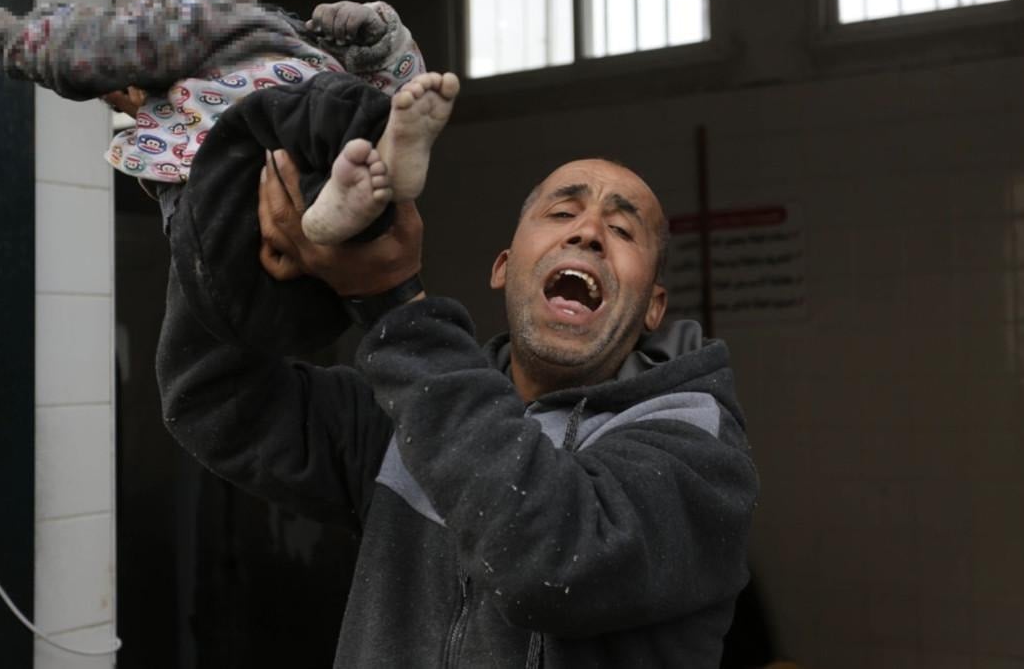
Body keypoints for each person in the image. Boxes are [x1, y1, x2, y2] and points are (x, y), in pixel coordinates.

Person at [157, 150, 760, 667]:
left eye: (624, 230)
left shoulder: (698, 448)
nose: (588, 232)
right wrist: (213, 192)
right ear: (504, 268)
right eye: (561, 213)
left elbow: (551, 559)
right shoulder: (409, 418)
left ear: (654, 308)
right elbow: (215, 396)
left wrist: (391, 300)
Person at [0, 0, 452, 245]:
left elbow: (399, 93)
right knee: (329, 105)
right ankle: (345, 194)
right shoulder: (190, 21)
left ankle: (349, 196)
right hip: (238, 183)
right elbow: (91, 43)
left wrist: (376, 38)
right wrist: (13, 36)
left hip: (313, 194)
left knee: (351, 110)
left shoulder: (301, 38)